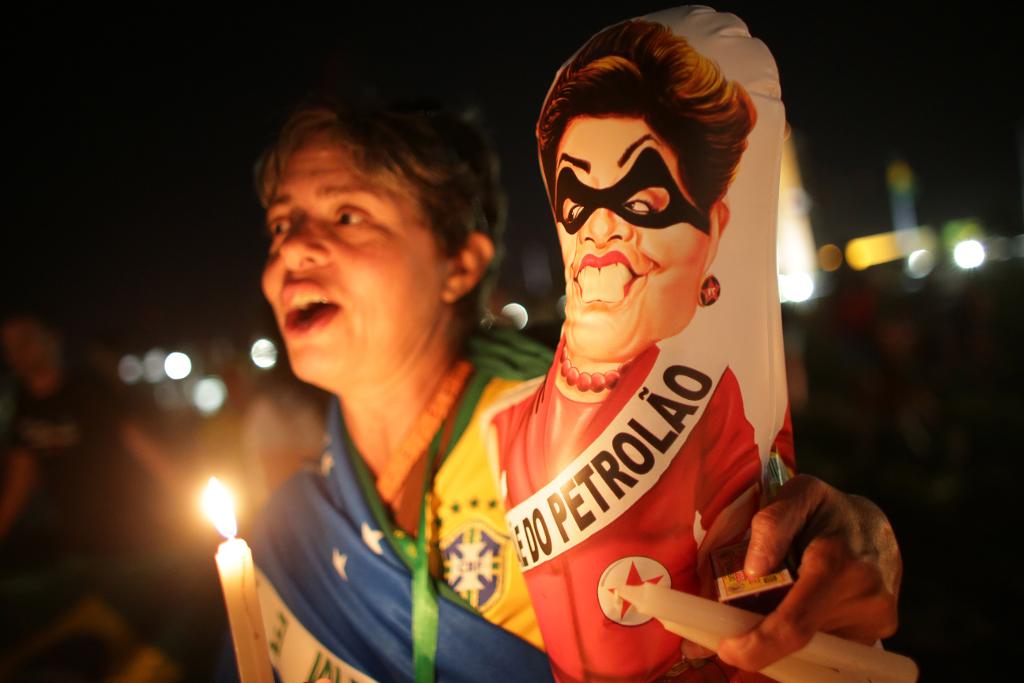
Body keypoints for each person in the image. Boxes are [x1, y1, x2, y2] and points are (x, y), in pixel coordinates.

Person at [242, 20, 899, 681]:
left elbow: (769, 570)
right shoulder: (292, 518)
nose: (291, 248)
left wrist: (848, 539)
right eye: (280, 222)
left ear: (460, 264)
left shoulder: (575, 437)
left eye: (347, 214)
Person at [488, 11, 899, 682]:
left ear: (714, 228)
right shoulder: (500, 427)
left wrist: (856, 548)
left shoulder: (714, 403)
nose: (601, 231)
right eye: (576, 198)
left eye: (643, 201)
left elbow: (778, 563)